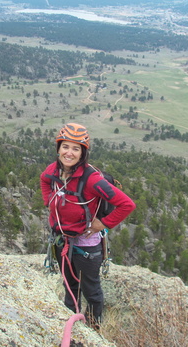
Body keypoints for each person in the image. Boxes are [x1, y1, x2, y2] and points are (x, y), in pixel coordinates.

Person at [40, 123, 136, 329]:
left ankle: (92, 329)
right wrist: (48, 200)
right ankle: (70, 324)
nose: (69, 152)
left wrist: (103, 224)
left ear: (83, 153)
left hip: (87, 245)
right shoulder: (53, 170)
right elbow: (44, 180)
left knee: (91, 290)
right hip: (62, 240)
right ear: (58, 148)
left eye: (76, 148)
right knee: (69, 286)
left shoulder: (92, 179)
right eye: (65, 146)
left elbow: (126, 204)